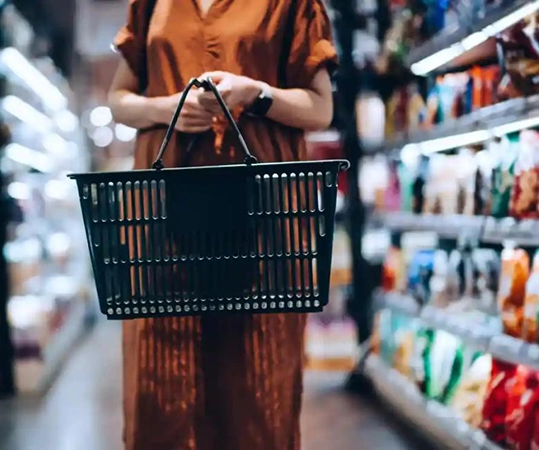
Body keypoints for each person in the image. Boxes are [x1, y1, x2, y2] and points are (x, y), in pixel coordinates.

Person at [107, 1, 337, 449]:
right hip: (162, 217)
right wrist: (166, 107)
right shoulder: (151, 4)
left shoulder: (290, 5)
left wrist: (256, 93)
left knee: (257, 385)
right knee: (160, 384)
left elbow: (320, 109)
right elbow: (119, 100)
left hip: (263, 219)